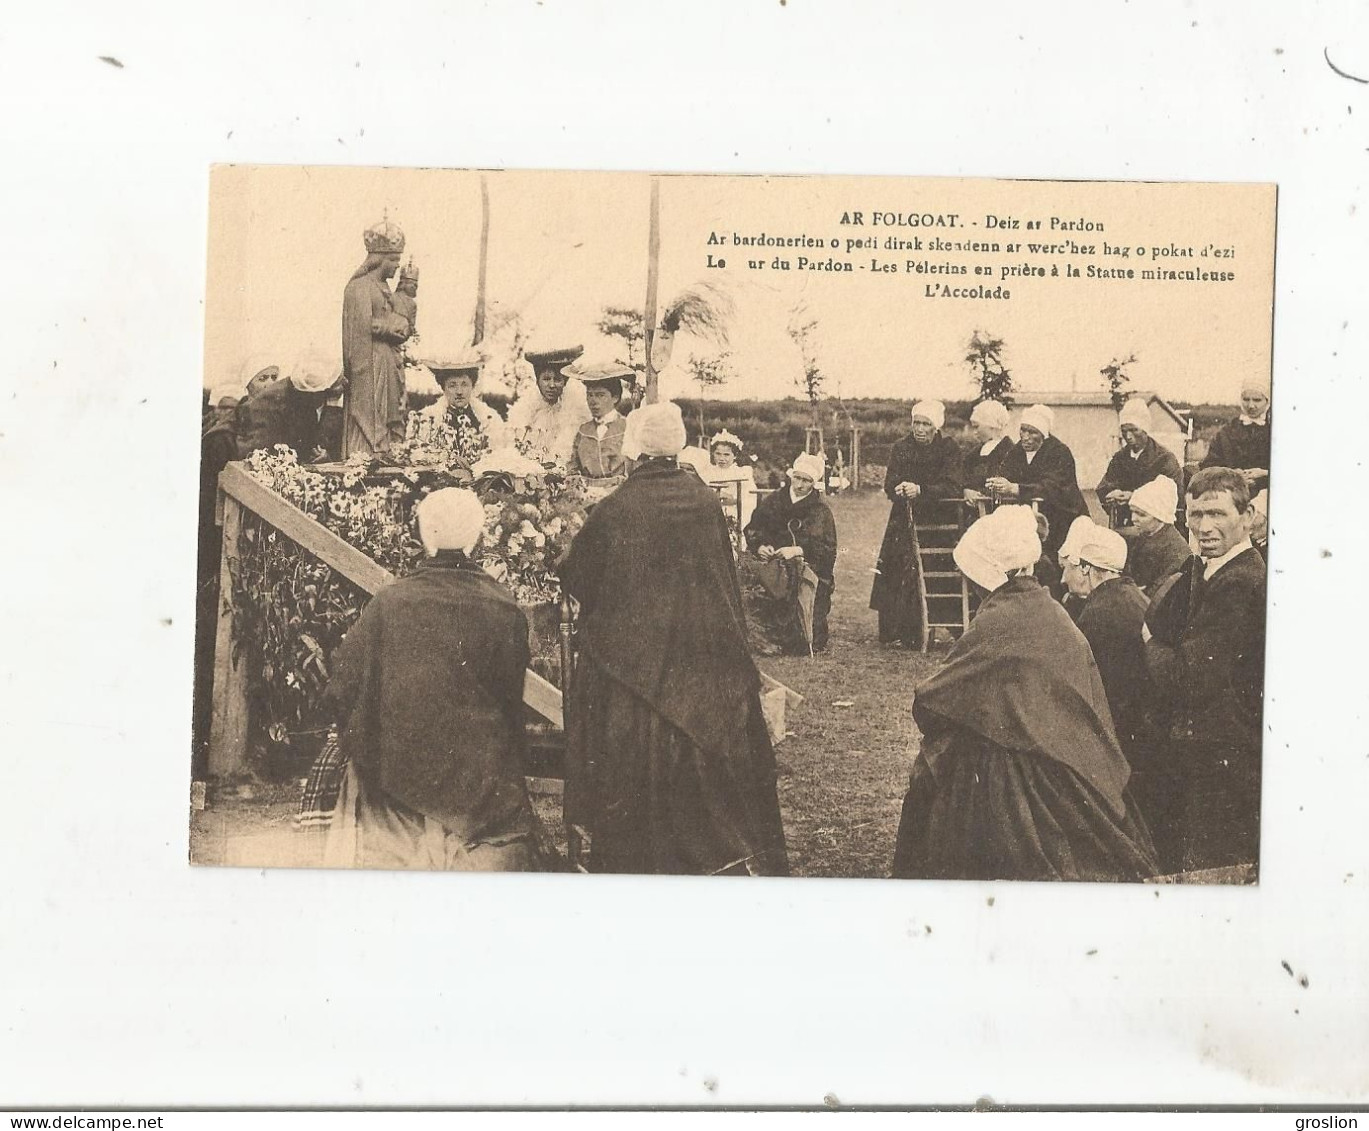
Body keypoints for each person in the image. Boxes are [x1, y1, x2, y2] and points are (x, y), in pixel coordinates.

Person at [558, 402, 789, 876]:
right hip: (702, 661)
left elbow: (576, 573)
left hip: (634, 667)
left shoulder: (617, 507)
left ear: (636, 451)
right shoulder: (703, 500)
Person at [891, 505, 1158, 883]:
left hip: (1017, 774)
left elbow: (934, 697)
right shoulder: (1047, 608)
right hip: (1068, 760)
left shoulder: (1003, 616)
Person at [321, 488, 549, 871]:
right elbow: (511, 710)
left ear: (423, 536)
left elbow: (341, 689)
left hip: (397, 780)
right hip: (479, 788)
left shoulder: (389, 602)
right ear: (477, 538)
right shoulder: (503, 607)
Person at [1144, 466, 1267, 876]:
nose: (1205, 527)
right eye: (1195, 515)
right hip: (1205, 748)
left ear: (1247, 516)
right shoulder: (1205, 569)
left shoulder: (1241, 582)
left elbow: (1186, 677)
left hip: (1225, 757)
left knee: (1215, 866)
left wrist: (1149, 642)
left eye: (1217, 514)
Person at [1066, 525, 1157, 806]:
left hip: (1123, 736)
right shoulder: (1136, 597)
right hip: (1146, 727)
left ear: (1087, 569)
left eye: (1074, 566)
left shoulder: (1096, 615)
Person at [870, 401, 966, 647]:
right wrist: (899, 488)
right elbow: (890, 482)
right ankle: (899, 631)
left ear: (936, 427)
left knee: (937, 572)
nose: (920, 429)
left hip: (938, 522)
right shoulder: (901, 447)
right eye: (917, 423)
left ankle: (944, 625)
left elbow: (953, 485)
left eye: (926, 424)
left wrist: (922, 490)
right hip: (904, 520)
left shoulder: (949, 448)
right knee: (897, 569)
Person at [743, 451, 839, 653]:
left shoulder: (820, 509)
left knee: (802, 637)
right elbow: (755, 527)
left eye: (806, 480)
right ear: (791, 476)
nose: (800, 484)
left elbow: (827, 548)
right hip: (772, 563)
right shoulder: (775, 500)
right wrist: (760, 545)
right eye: (797, 478)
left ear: (814, 483)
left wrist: (798, 550)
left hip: (806, 568)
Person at [341, 218, 413, 457]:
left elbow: (401, 323)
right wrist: (387, 328)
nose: (396, 268)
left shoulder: (385, 288)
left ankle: (390, 449)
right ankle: (370, 453)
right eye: (394, 261)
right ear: (381, 259)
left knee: (393, 412)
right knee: (374, 415)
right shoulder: (360, 287)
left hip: (389, 361)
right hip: (371, 365)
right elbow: (360, 331)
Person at [987, 403, 1088, 556]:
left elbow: (1052, 486)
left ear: (1043, 434)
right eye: (1023, 430)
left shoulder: (1059, 452)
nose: (1025, 437)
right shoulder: (1017, 451)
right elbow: (1003, 471)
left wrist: (1016, 488)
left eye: (1032, 432)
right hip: (1031, 514)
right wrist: (997, 483)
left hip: (1062, 514)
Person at [235, 354, 343, 460]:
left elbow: (311, 446)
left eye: (274, 377)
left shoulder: (289, 407)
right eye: (262, 378)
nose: (270, 383)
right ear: (248, 385)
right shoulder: (239, 415)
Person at [1096, 398, 1184, 526]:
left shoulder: (1164, 459)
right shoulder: (1120, 458)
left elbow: (1173, 495)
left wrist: (1134, 497)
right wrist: (1111, 493)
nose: (1129, 436)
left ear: (1145, 429)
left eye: (1134, 430)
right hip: (1125, 525)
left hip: (1156, 528)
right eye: (1124, 431)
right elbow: (1105, 485)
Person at [506, 345, 587, 464]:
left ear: (564, 383)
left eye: (558, 379)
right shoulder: (525, 411)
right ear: (537, 381)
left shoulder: (576, 413)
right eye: (546, 379)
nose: (552, 385)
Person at [421, 357, 508, 459]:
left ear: (472, 386)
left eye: (464, 385)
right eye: (452, 386)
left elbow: (498, 453)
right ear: (443, 388)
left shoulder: (489, 419)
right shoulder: (428, 419)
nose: (459, 392)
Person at [1201, 374, 1271, 493]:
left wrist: (1265, 474)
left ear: (1267, 401)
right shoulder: (1226, 432)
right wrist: (1230, 474)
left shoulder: (1277, 432)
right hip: (1231, 493)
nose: (1251, 405)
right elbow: (1208, 466)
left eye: (1257, 400)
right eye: (1246, 399)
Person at [565, 362, 632, 482]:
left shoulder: (628, 428)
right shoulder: (584, 430)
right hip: (587, 494)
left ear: (615, 397)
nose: (593, 401)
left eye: (600, 395)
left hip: (619, 493)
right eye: (590, 395)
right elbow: (573, 466)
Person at [1126, 476, 1191, 596]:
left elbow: (1160, 595)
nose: (1133, 519)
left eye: (1141, 515)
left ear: (1160, 516)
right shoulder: (1143, 536)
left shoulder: (1177, 552)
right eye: (1132, 512)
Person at [704, 429, 758, 530]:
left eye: (726, 455)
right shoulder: (707, 472)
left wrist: (733, 500)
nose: (721, 458)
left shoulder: (742, 473)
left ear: (735, 456)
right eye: (718, 454)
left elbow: (750, 499)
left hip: (732, 514)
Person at [961, 398, 1014, 500]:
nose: (975, 432)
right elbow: (963, 478)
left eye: (977, 427)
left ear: (992, 425)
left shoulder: (1010, 451)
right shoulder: (974, 453)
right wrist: (966, 490)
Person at [392, 259, 419, 337]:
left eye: (415, 285)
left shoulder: (413, 305)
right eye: (411, 284)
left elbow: (411, 325)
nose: (413, 287)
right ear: (403, 283)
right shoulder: (393, 297)